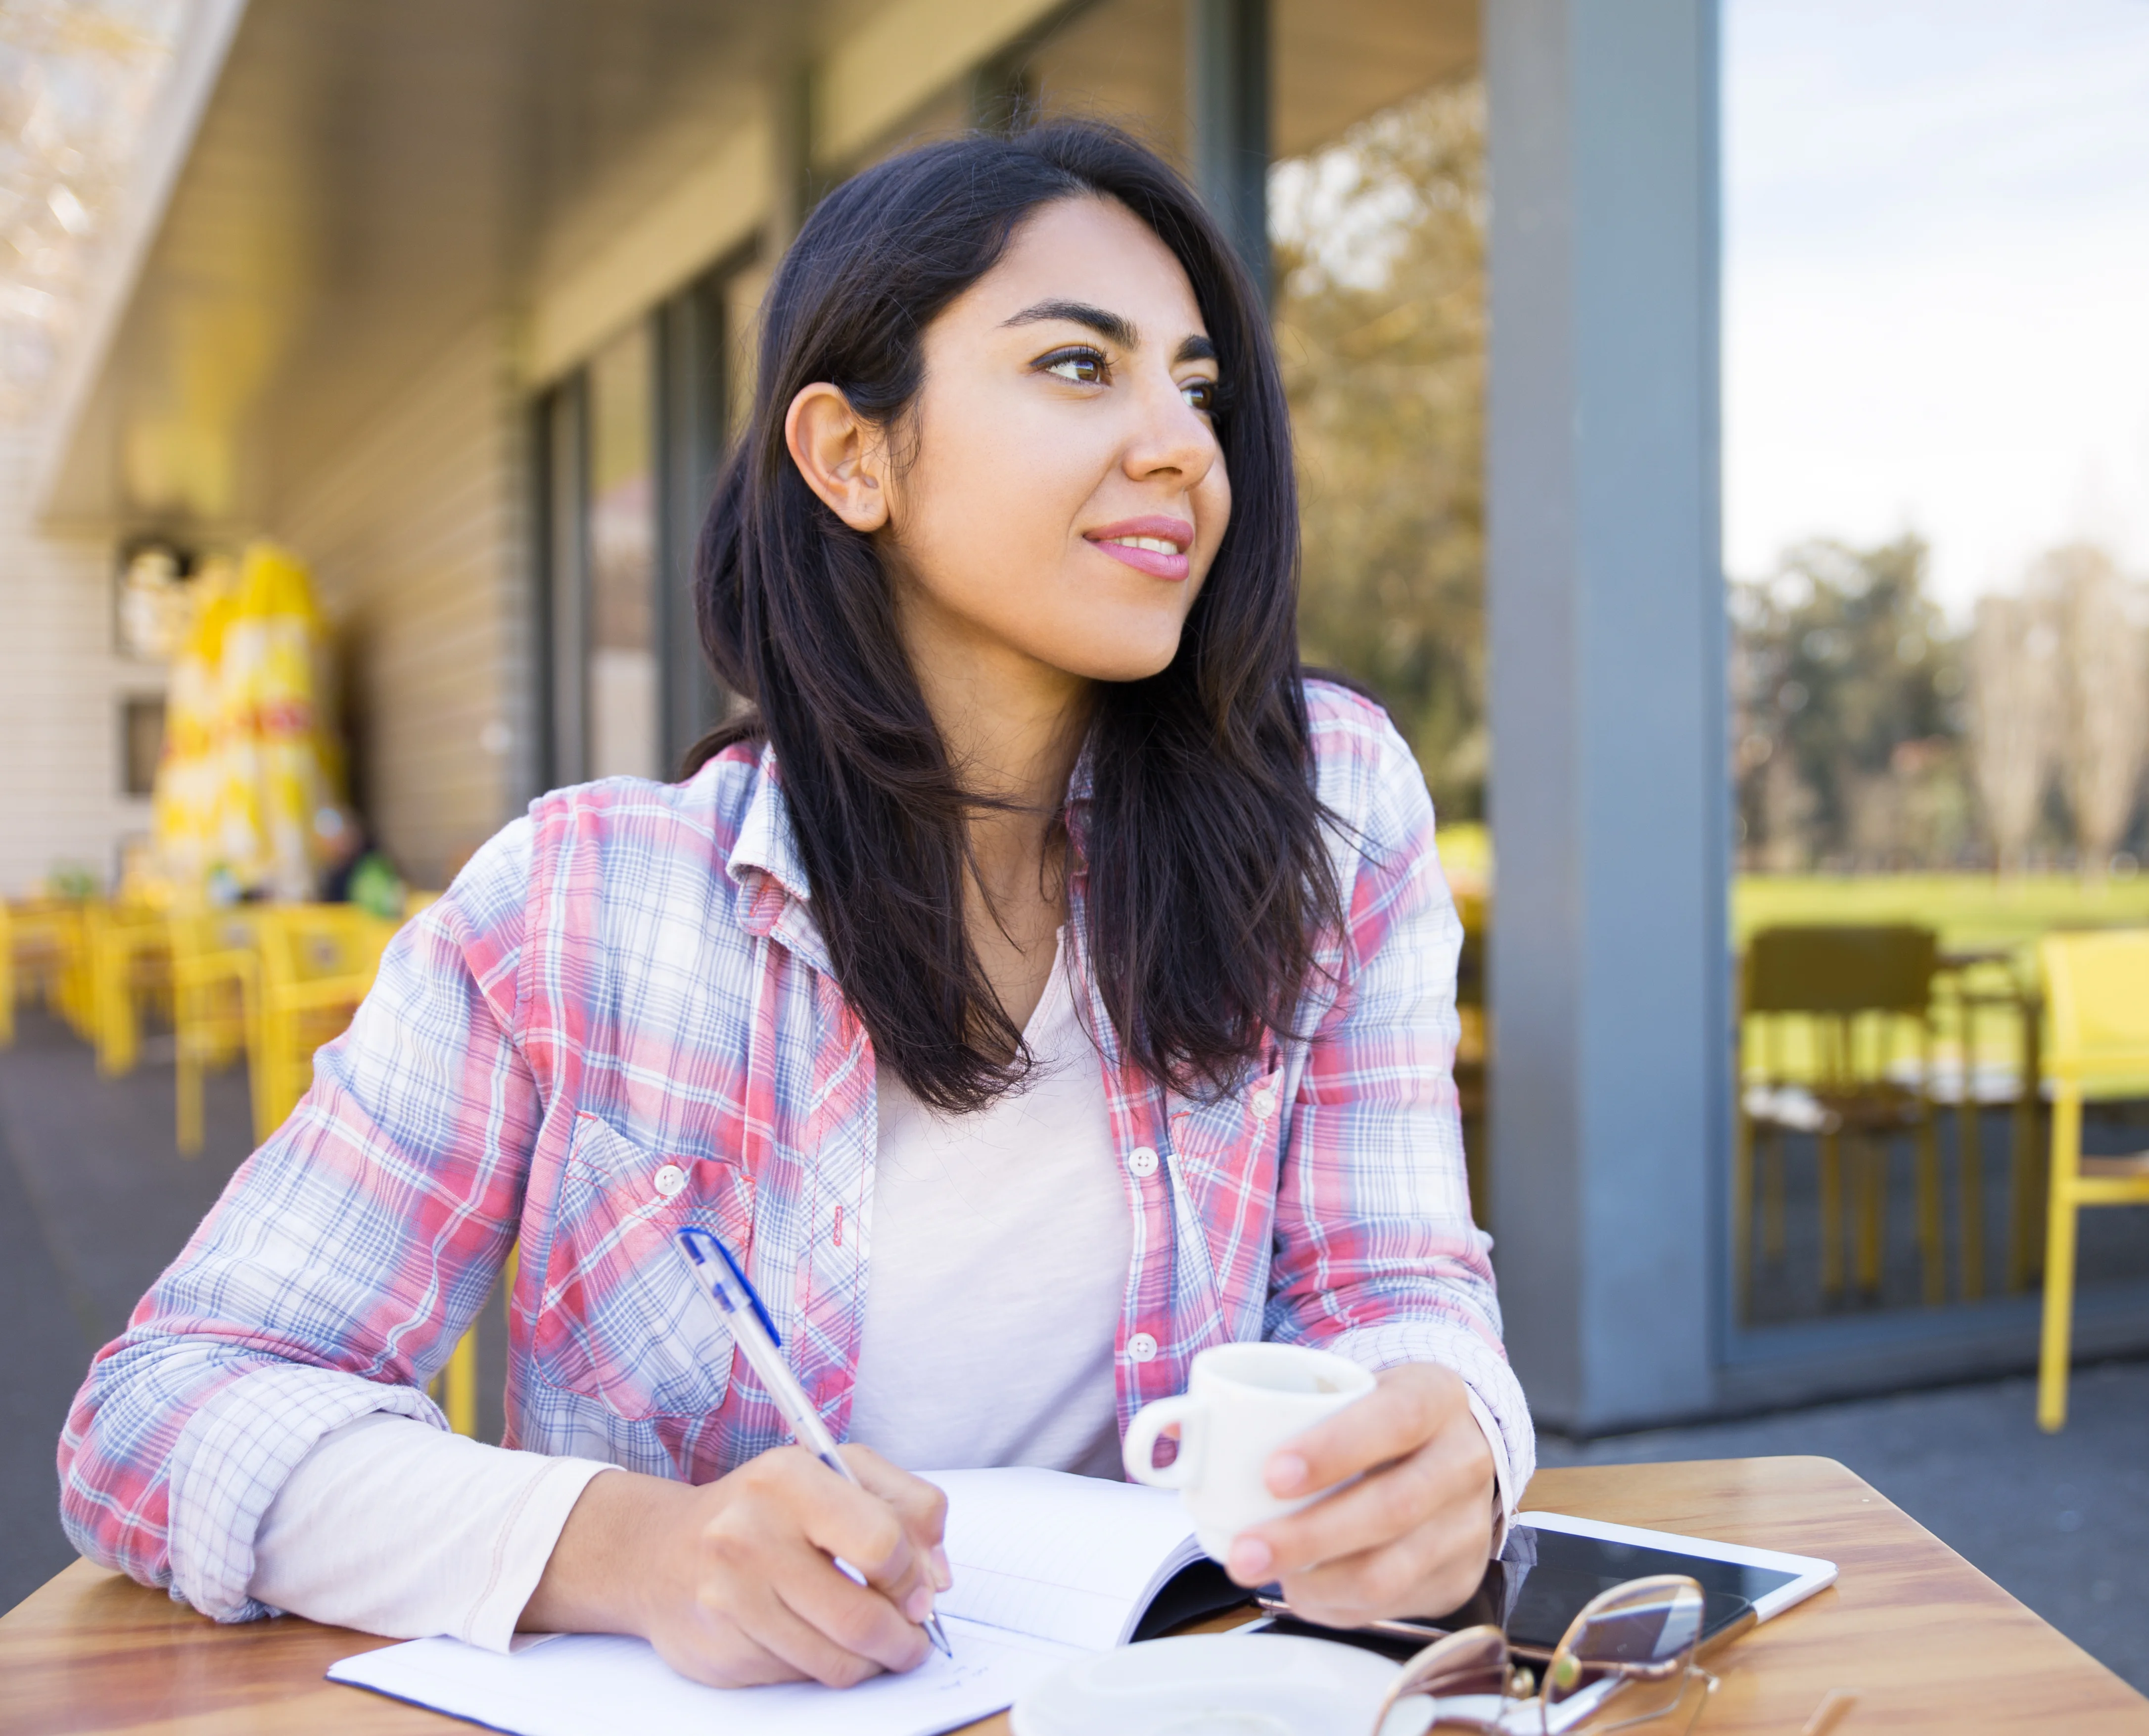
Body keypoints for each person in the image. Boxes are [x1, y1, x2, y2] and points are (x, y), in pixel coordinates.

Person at [58, 120, 1530, 1691]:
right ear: (849, 454)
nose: (1181, 443)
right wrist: (628, 1549)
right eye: (1078, 368)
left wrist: (1454, 1435)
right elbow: (164, 1408)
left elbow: (1396, 1287)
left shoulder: (1325, 809)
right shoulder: (584, 904)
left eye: (1199, 387)